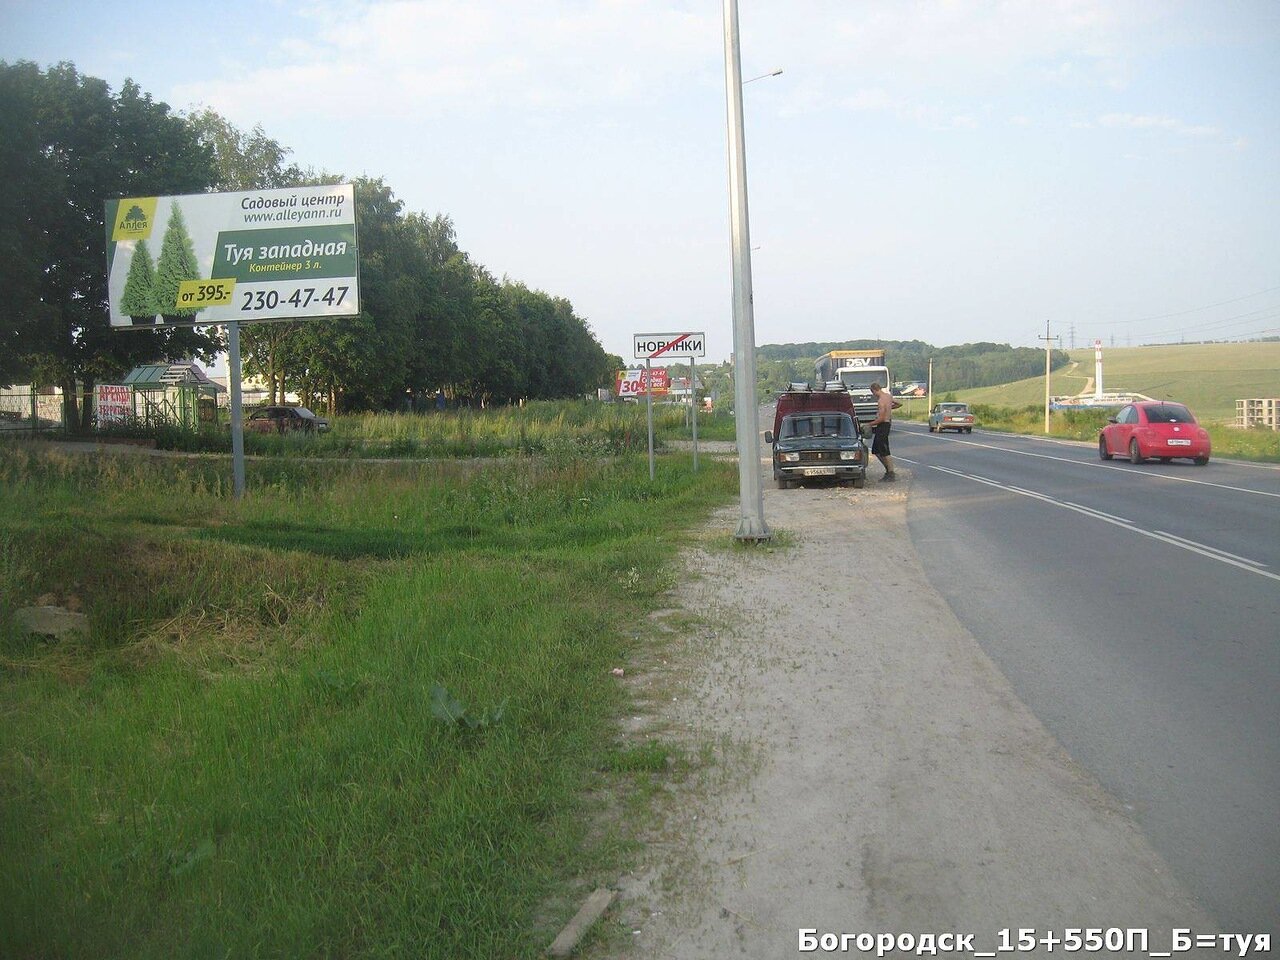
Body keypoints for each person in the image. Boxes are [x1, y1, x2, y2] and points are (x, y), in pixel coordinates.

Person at [867, 382, 902, 481]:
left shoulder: (881, 401)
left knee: (884, 450)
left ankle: (890, 472)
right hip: (886, 424)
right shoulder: (888, 396)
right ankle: (888, 470)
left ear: (874, 390)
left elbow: (881, 418)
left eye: (872, 392)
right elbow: (900, 403)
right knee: (876, 450)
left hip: (883, 425)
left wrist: (870, 424)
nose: (873, 395)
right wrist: (890, 408)